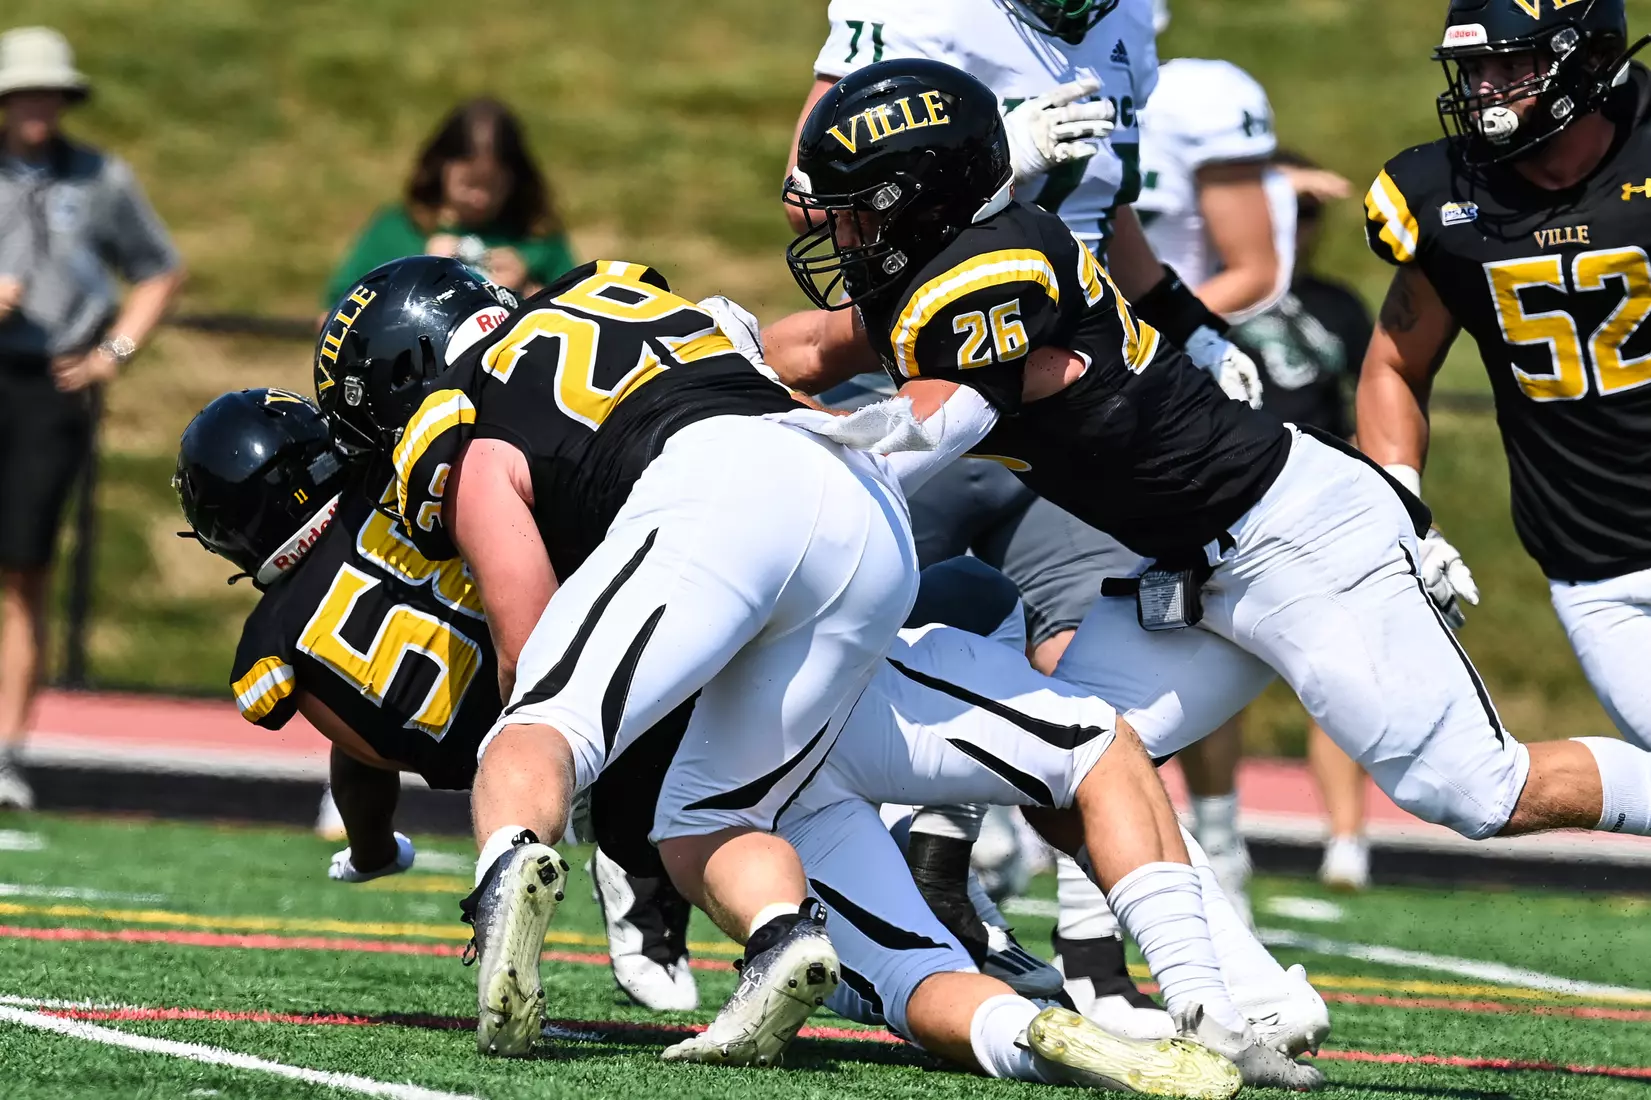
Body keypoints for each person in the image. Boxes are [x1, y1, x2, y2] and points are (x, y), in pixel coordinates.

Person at [768, 58, 1651, 934]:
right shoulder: (929, 274)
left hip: (1291, 542)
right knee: (1058, 765)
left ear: (918, 200)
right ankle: (1235, 1002)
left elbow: (917, 431)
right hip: (1191, 561)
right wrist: (684, 361)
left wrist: (785, 452)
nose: (833, 230)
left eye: (855, 207)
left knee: (1473, 789)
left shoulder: (990, 277)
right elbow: (805, 348)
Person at [785, 0, 1264, 1034]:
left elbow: (1110, 216)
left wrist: (1193, 326)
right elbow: (807, 194)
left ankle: (1114, 954)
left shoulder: (1129, 22)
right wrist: (995, 146)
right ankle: (673, 872)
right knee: (796, 617)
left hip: (1068, 405)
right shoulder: (925, 11)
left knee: (1085, 686)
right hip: (931, 359)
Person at [173, 387, 700, 1012]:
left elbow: (357, 748)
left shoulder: (270, 644)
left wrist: (373, 849)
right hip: (586, 675)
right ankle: (648, 860)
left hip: (479, 760)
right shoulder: (402, 476)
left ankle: (550, 853)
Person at [1358, 0, 1651, 789]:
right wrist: (1402, 513)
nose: (1484, 90)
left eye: (1509, 67)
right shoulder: (1446, 197)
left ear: (1585, 59)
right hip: (1595, 565)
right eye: (1474, 70)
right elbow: (1393, 366)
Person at [1128, 22, 1299, 922]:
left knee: (1184, 615)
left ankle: (1218, 832)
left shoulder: (1193, 96)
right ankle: (974, 824)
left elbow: (1255, 268)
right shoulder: (987, 69)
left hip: (1161, 388)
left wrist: (1134, 336)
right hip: (1028, 376)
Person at [0, 25, 184, 810]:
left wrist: (114, 349)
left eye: (49, 91)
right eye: (23, 91)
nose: (37, 104)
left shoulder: (100, 178)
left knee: (23, 569)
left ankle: (5, 752)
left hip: (51, 386)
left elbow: (157, 269)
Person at [1230, 151, 1377, 891]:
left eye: (1307, 213)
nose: (1299, 228)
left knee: (1336, 674)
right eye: (1284, 210)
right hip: (1217, 503)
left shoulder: (1339, 307)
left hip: (1314, 506)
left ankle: (1346, 840)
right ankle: (1215, 825)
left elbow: (1359, 414)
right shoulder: (1208, 289)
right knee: (1208, 673)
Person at [322, 98, 575, 308]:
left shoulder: (536, 236)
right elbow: (336, 313)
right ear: (440, 168)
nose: (480, 198)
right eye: (468, 184)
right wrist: (419, 273)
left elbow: (580, 316)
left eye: (494, 186)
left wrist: (529, 290)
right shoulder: (397, 231)